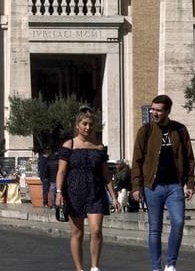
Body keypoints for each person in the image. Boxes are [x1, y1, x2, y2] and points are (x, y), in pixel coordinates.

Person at [131, 94, 195, 271]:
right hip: (152, 187)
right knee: (155, 229)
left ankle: (170, 264)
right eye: (153, 109)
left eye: (158, 110)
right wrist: (136, 186)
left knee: (179, 222)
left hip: (175, 186)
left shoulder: (180, 130)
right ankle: (156, 267)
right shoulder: (145, 131)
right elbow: (136, 161)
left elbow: (189, 158)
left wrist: (190, 183)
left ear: (167, 111)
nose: (154, 113)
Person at [56, 110, 121, 271]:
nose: (88, 127)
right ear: (77, 125)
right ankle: (79, 268)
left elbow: (106, 175)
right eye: (84, 124)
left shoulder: (99, 147)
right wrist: (58, 192)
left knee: (96, 230)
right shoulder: (69, 145)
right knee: (77, 232)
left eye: (91, 124)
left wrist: (114, 197)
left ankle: (94, 267)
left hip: (95, 192)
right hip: (74, 192)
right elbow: (61, 171)